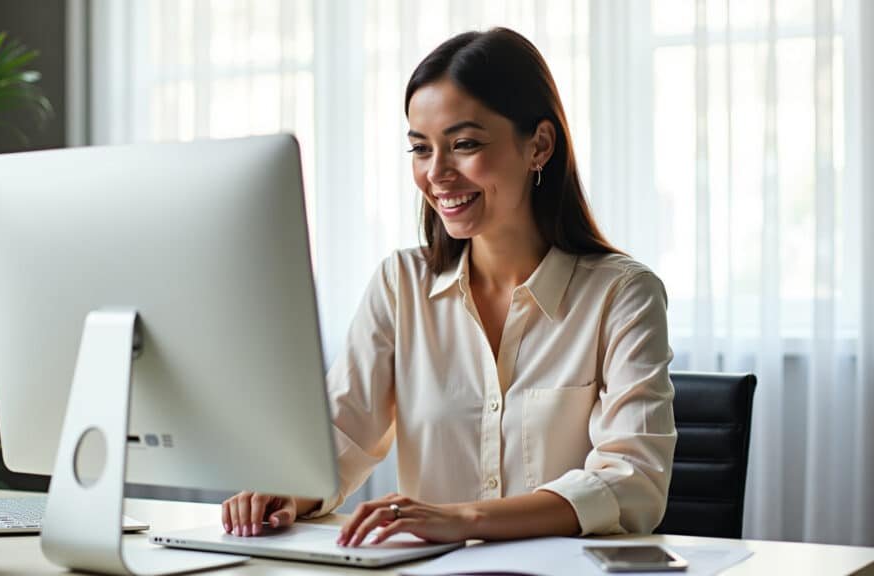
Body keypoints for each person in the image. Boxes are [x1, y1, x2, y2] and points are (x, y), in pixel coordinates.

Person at [221, 26, 676, 546]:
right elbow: (344, 432)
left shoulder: (622, 295)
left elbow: (633, 480)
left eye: (464, 145)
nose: (436, 174)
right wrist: (287, 492)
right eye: (420, 148)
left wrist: (463, 519)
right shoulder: (401, 284)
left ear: (539, 146)